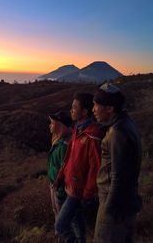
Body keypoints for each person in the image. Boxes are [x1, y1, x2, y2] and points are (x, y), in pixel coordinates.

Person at [92, 83, 142, 243]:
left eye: (96, 105)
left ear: (109, 109)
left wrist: (109, 210)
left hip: (115, 204)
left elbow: (119, 176)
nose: (93, 110)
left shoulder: (117, 132)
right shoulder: (127, 123)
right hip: (126, 202)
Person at [54, 92, 104, 243]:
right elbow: (69, 157)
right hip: (70, 185)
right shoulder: (78, 129)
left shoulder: (92, 135)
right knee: (77, 222)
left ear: (84, 112)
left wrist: (88, 194)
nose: (71, 110)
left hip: (78, 190)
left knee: (60, 226)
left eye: (74, 107)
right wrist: (60, 176)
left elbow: (95, 167)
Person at [47, 111, 72, 221]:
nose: (50, 125)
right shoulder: (57, 141)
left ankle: (64, 237)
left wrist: (60, 191)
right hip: (54, 185)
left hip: (60, 188)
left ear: (60, 125)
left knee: (62, 218)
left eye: (52, 123)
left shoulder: (63, 146)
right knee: (56, 212)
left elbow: (65, 169)